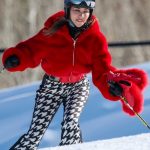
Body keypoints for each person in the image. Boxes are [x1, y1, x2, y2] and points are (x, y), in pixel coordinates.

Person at [2, 0, 148, 149]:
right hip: (52, 85)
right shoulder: (51, 33)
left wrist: (111, 86)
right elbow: (30, 50)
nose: (81, 15)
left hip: (78, 86)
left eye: (85, 11)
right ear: (67, 11)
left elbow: (102, 70)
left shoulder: (95, 39)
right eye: (77, 10)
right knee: (35, 133)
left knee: (70, 124)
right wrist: (17, 58)